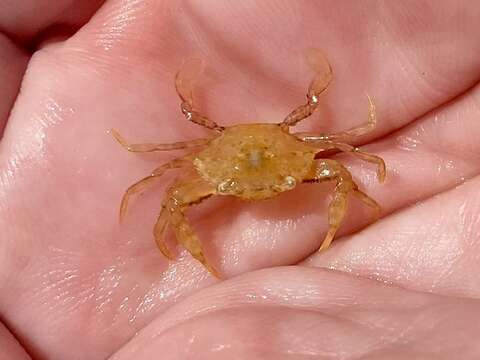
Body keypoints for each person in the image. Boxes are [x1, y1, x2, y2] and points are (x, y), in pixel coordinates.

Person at [0, 1, 479, 359]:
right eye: (246, 191)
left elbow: (351, 146)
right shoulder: (198, 157)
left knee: (341, 174)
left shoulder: (313, 153)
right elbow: (153, 171)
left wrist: (360, 181)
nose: (262, 196)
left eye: (274, 187)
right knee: (173, 198)